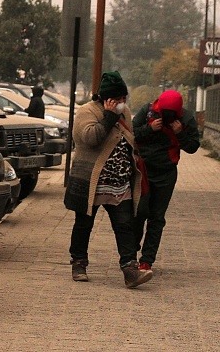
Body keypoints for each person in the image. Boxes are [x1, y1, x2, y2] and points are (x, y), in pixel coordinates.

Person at [64, 71, 152, 288]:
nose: (122, 103)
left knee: (125, 225)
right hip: (92, 182)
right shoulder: (87, 112)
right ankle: (79, 263)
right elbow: (90, 138)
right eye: (118, 99)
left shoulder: (126, 113)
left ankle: (130, 270)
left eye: (124, 99)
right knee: (84, 224)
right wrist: (110, 115)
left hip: (119, 183)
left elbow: (128, 138)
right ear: (106, 98)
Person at [132, 90, 200, 274]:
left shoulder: (186, 119)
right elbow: (130, 134)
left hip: (166, 173)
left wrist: (180, 134)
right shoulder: (147, 112)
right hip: (143, 170)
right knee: (139, 211)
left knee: (157, 217)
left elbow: (193, 147)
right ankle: (131, 250)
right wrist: (150, 128)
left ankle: (147, 260)